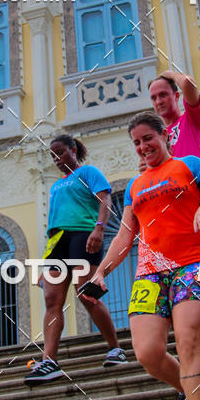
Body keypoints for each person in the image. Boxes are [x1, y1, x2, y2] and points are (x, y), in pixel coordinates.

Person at [91, 112, 200, 400]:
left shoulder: (191, 165)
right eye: (137, 143)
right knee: (147, 353)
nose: (143, 147)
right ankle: (185, 389)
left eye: (148, 139)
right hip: (149, 273)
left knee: (187, 340)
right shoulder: (136, 187)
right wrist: (102, 272)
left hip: (192, 264)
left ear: (164, 136)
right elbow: (126, 235)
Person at [25, 134, 126, 385]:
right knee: (51, 299)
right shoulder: (56, 185)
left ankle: (115, 348)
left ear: (73, 149)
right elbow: (55, 220)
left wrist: (99, 228)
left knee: (86, 293)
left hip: (84, 235)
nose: (57, 159)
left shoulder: (89, 172)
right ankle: (49, 361)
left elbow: (105, 200)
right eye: (53, 155)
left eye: (60, 152)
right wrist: (46, 261)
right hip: (57, 241)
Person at [149, 70, 200, 365]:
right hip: (167, 211)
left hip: (196, 206)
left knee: (187, 272)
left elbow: (191, 87)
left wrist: (167, 73)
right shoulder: (159, 136)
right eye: (154, 97)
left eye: (163, 94)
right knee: (177, 276)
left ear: (175, 96)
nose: (158, 101)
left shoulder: (191, 121)